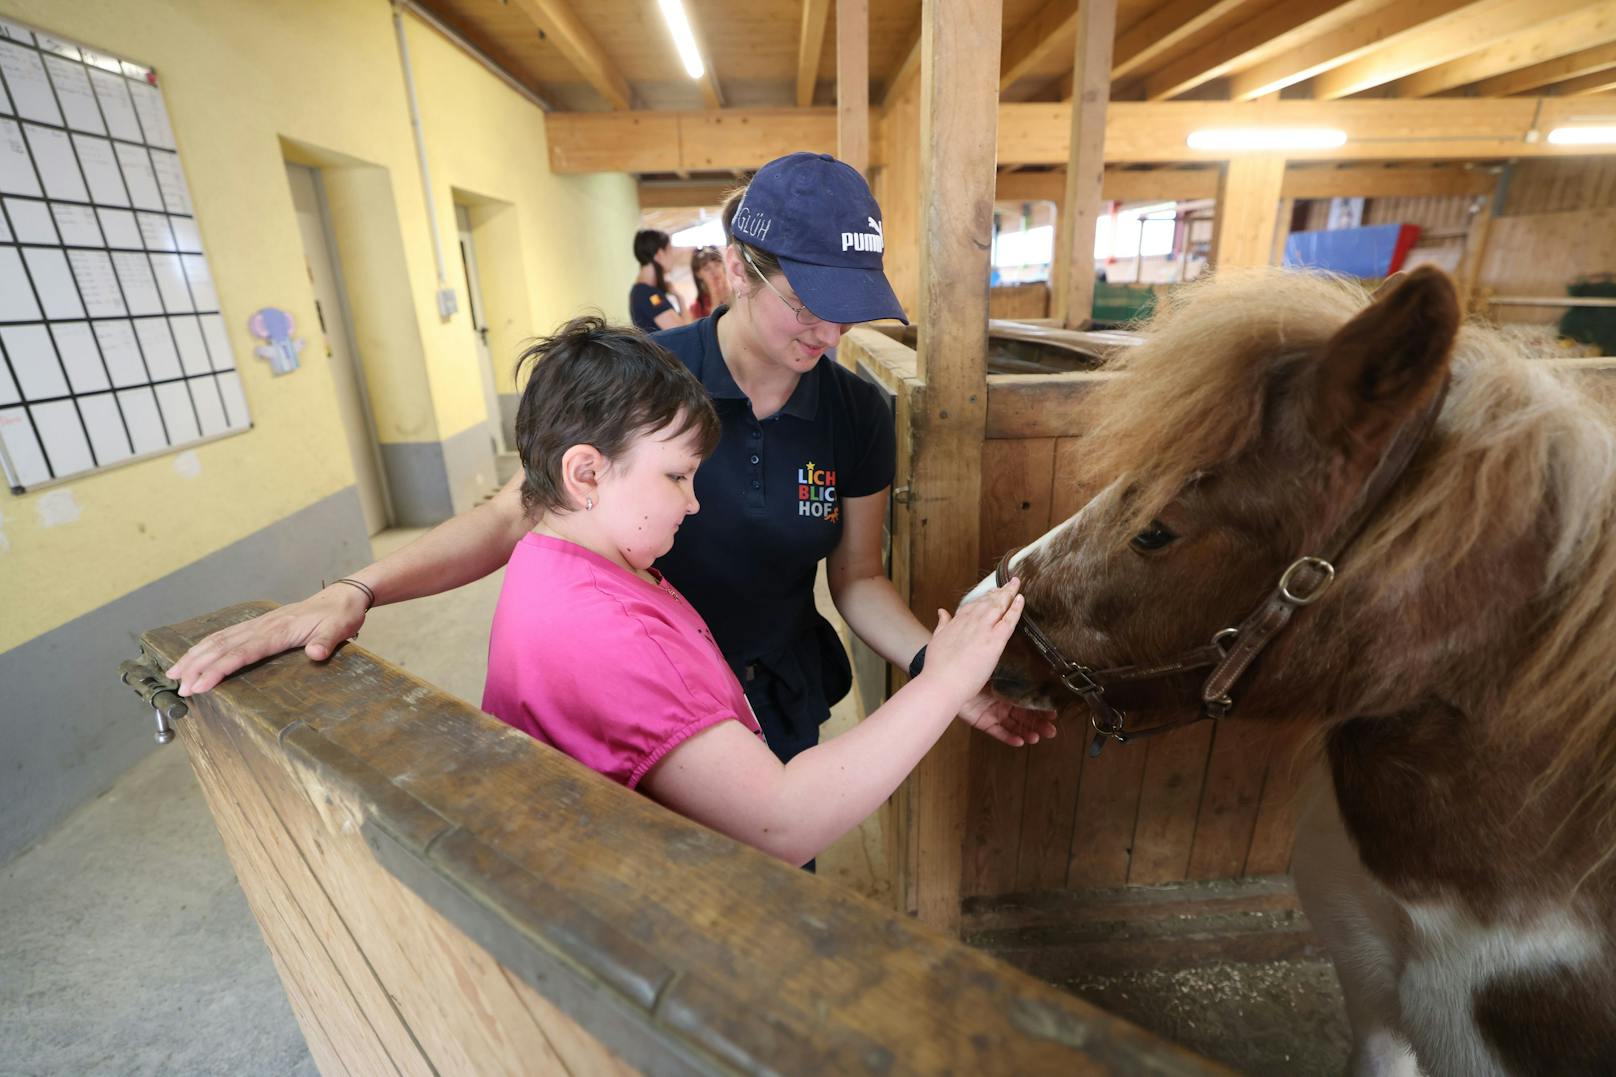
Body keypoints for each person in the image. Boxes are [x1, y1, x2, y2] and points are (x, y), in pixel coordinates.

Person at [167, 150, 1055, 778]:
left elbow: (856, 579)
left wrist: (944, 672)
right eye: (806, 305)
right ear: (741, 271)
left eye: (847, 312)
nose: (827, 335)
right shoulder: (650, 381)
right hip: (634, 681)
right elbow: (518, 511)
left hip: (770, 688)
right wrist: (355, 589)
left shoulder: (854, 408)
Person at [482, 315, 1024, 865]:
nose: (693, 504)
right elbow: (781, 821)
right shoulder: (610, 632)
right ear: (586, 475)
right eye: (676, 477)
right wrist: (947, 679)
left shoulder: (558, 562)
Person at [629, 229, 687, 333]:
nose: (673, 256)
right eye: (670, 250)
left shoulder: (644, 291)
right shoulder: (649, 295)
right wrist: (680, 298)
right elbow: (684, 332)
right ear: (659, 254)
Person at [687, 244, 729, 320]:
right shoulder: (696, 308)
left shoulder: (740, 292)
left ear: (723, 265)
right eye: (707, 268)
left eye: (717, 265)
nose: (714, 271)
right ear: (698, 274)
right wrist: (715, 299)